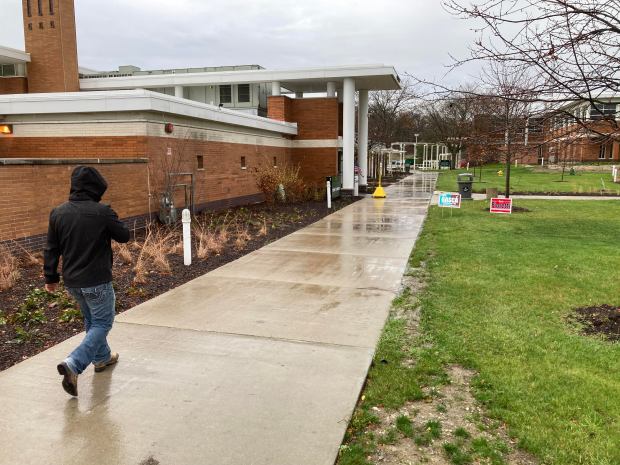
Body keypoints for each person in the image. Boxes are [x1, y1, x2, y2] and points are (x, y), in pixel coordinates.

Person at [44, 166, 130, 396]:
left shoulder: (58, 213)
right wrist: (111, 216)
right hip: (97, 280)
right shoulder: (102, 212)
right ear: (96, 187)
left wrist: (50, 277)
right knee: (102, 323)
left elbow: (52, 248)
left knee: (92, 320)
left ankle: (102, 358)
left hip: (73, 282)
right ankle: (74, 364)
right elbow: (124, 236)